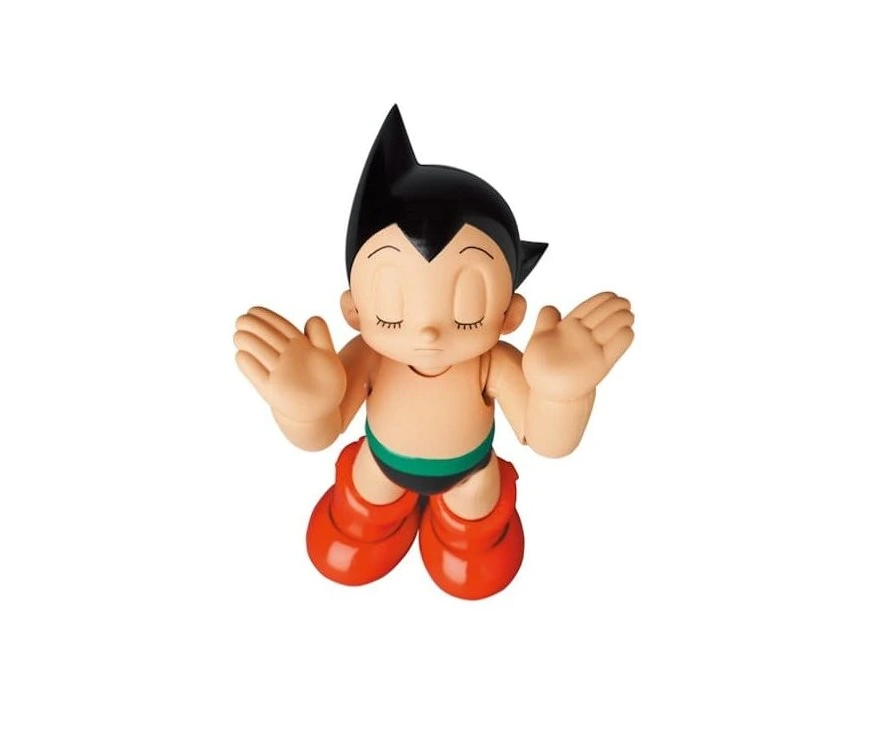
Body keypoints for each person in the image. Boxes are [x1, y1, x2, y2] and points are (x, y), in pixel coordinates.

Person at [233, 105, 634, 600]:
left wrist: (562, 393)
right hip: (379, 467)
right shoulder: (369, 356)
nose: (427, 331)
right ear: (354, 310)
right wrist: (302, 407)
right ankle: (363, 525)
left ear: (509, 315)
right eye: (392, 303)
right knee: (361, 512)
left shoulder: (491, 362)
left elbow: (547, 442)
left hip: (470, 474)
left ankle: (469, 540)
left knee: (474, 532)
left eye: (468, 303)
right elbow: (322, 434)